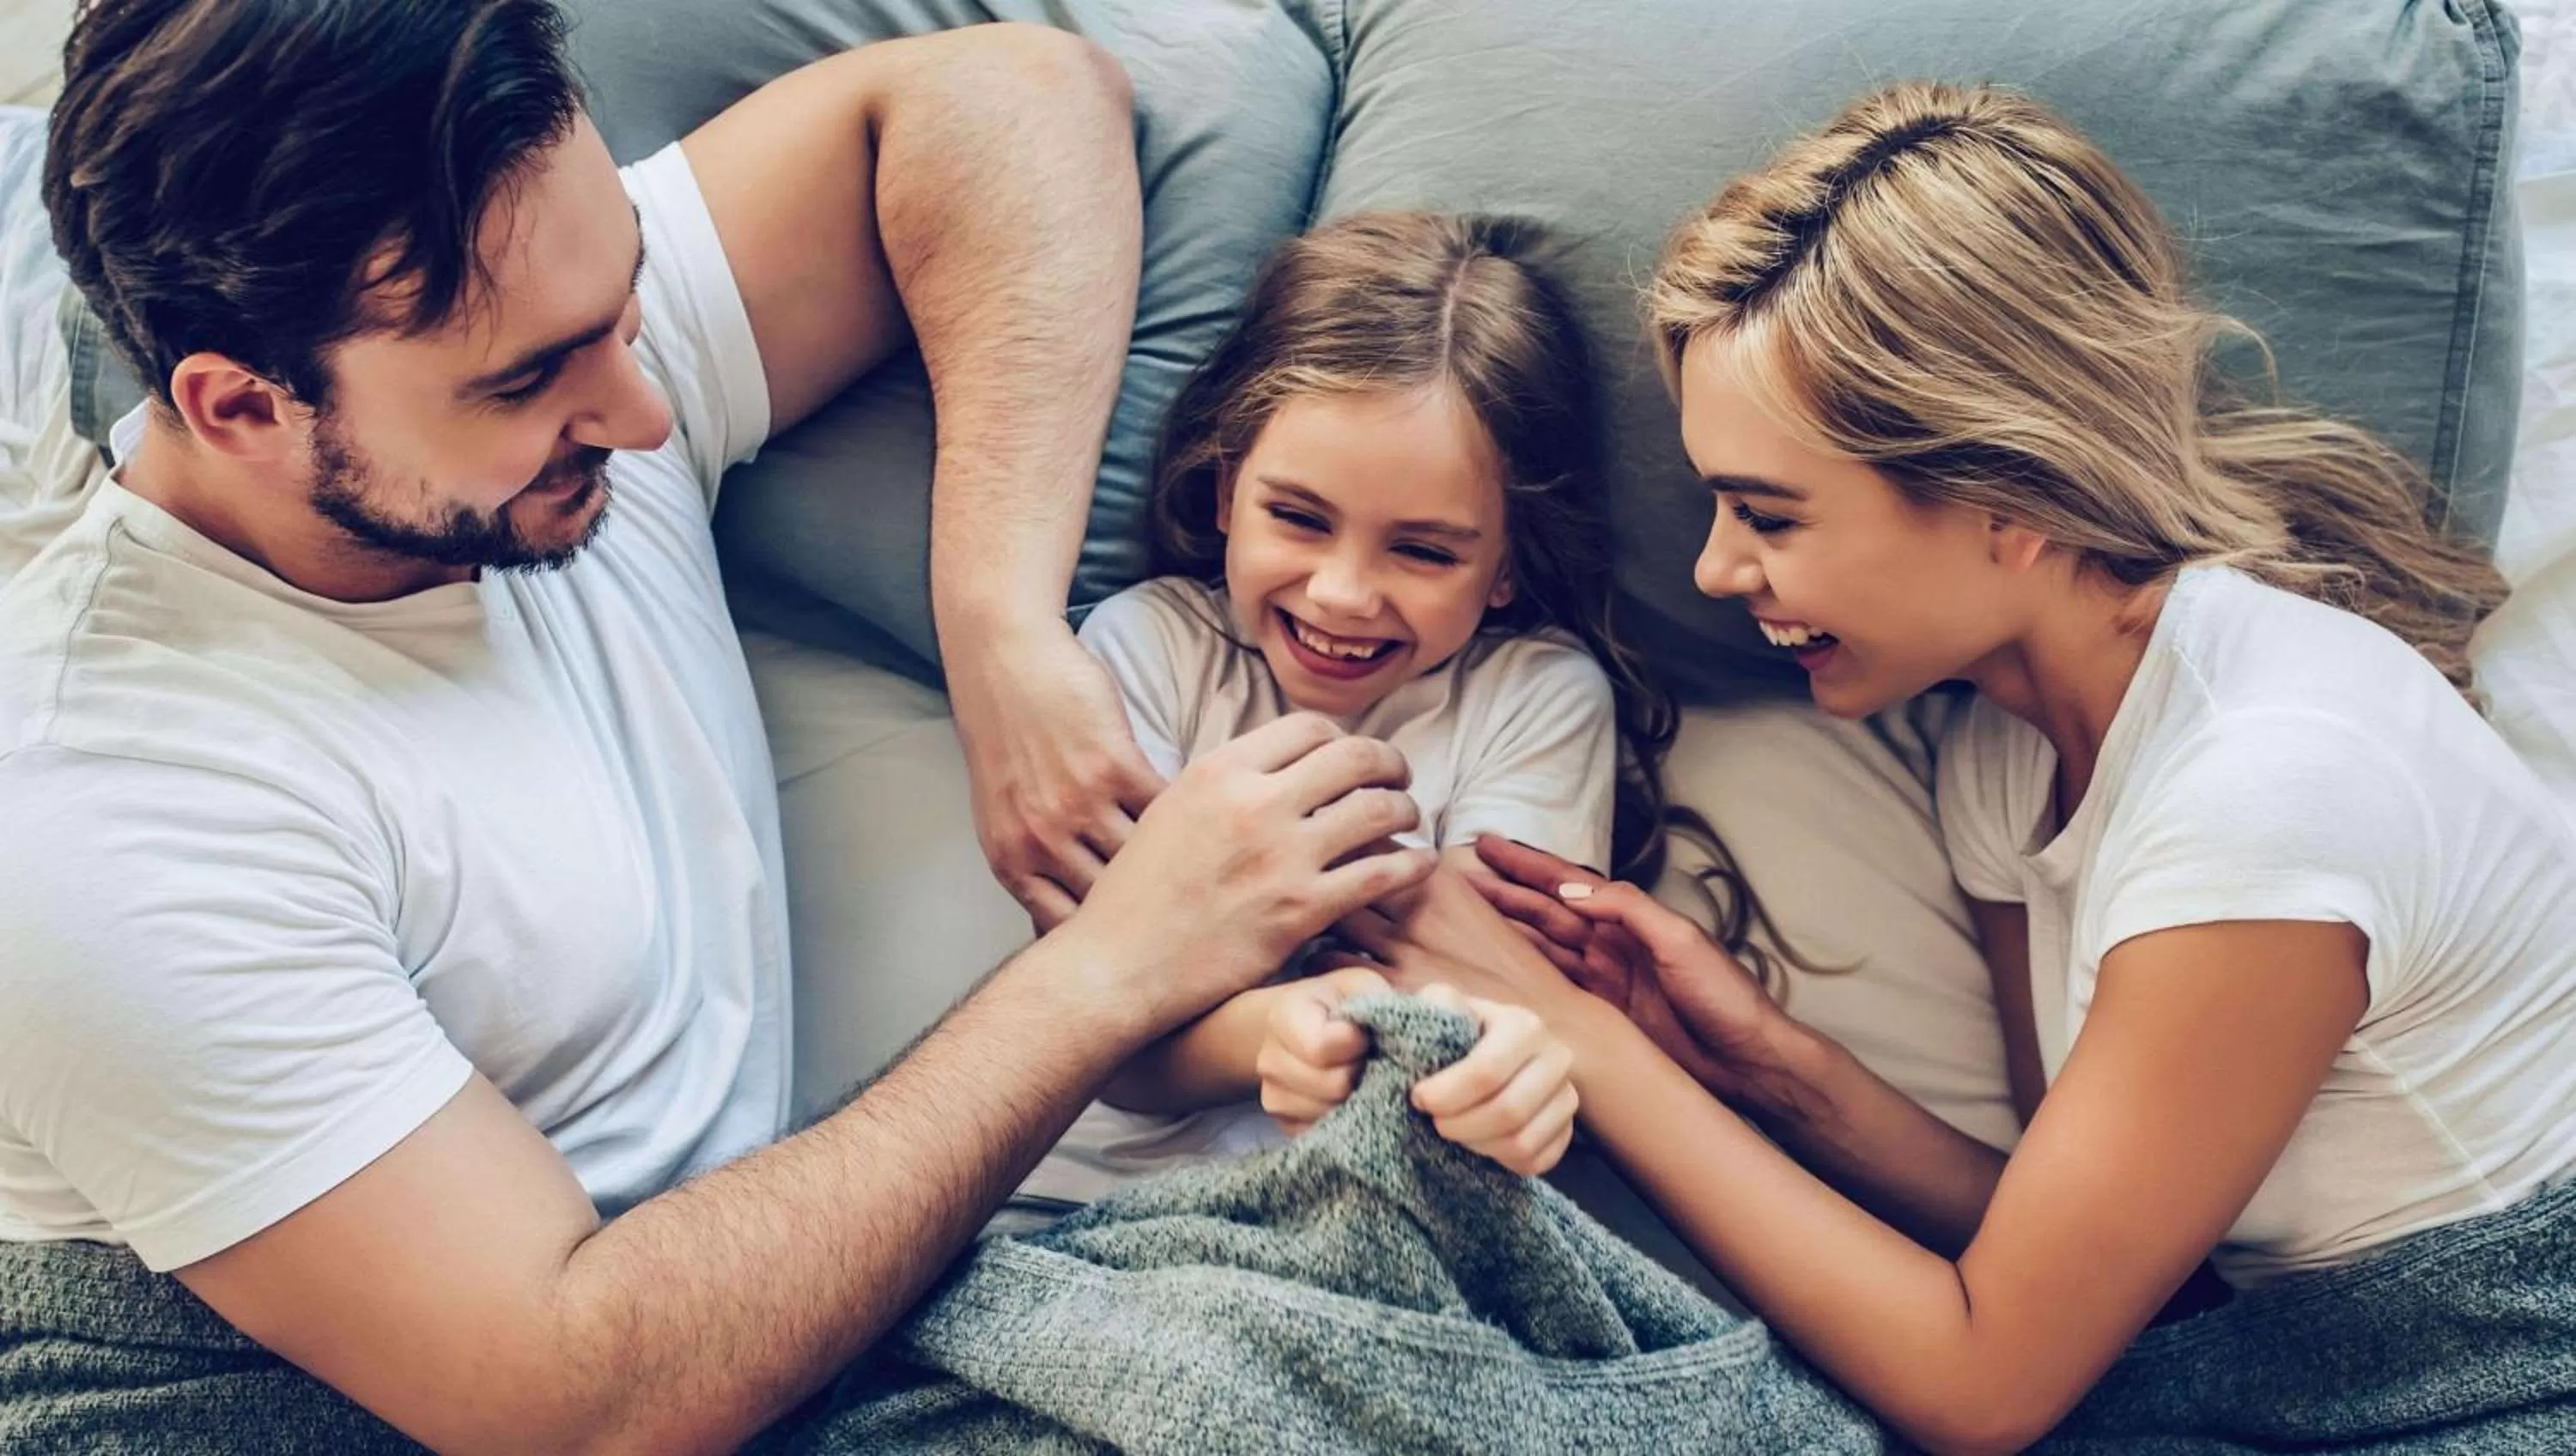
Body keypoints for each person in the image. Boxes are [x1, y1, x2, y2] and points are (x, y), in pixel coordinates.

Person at [0, 3, 1434, 1452]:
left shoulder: (530, 325)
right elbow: (578, 1403)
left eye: (624, 302)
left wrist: (999, 620)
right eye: (529, 382)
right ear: (243, 407)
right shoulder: (105, 809)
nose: (637, 407)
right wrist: (1118, 964)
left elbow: (1013, 100)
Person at [1331, 81, 2576, 1453]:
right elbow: (2056, 1252)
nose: (1715, 568)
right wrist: (1759, 1066)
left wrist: (1586, 1045)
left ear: (2009, 503)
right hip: (2273, 1370)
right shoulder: (2002, 742)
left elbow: (1986, 1385)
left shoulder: (2267, 789)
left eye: (1769, 515)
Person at [1013, 213, 1679, 1209]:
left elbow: (1491, 1001)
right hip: (1096, 1212)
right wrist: (1278, 1030)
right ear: (1229, 489)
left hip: (1383, 1216)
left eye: (1424, 551)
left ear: (1505, 567)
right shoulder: (1144, 650)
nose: (1341, 595)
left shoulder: (1533, 698)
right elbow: (1105, 1034)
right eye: (1298, 517)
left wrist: (1490, 1071)